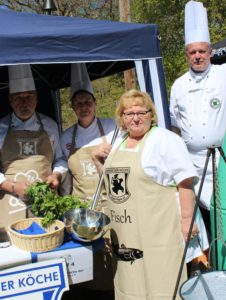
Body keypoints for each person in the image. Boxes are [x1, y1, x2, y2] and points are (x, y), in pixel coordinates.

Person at [92, 89, 199, 299]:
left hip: (158, 233)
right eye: (129, 113)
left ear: (151, 114)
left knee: (162, 282)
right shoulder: (119, 142)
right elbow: (114, 183)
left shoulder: (165, 139)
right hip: (125, 234)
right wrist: (97, 162)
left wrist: (187, 220)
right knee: (130, 284)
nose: (136, 118)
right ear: (121, 117)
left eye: (142, 112)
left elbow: (185, 182)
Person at [169, 0, 226, 241]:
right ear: (186, 55)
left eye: (202, 51)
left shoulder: (224, 75)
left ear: (210, 52)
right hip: (193, 163)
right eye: (192, 52)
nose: (198, 56)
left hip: (222, 159)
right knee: (202, 221)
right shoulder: (179, 85)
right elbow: (173, 125)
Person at [61, 64, 116, 300]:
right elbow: (64, 170)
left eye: (87, 102)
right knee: (87, 268)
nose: (83, 107)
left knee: (113, 261)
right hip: (82, 213)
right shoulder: (66, 137)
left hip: (111, 206)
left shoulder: (113, 128)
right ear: (72, 107)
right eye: (78, 103)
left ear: (95, 103)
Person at [0, 64, 67, 243]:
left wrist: (56, 175)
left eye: (29, 97)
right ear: (10, 100)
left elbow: (60, 159)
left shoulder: (50, 126)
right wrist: (12, 187)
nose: (24, 102)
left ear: (36, 99)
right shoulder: (1, 128)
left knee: (47, 246)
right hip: (11, 204)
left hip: (45, 205)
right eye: (19, 98)